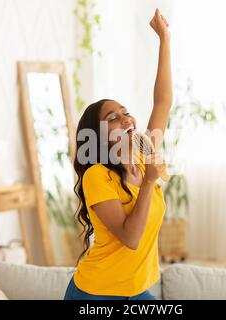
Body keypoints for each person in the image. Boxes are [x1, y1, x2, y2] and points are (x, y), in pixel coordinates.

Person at [64, 8, 172, 300]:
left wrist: (164, 39)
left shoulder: (142, 153)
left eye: (126, 113)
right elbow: (131, 238)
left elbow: (162, 102)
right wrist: (148, 182)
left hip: (133, 291)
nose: (126, 119)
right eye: (113, 118)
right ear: (98, 135)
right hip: (95, 294)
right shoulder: (97, 176)